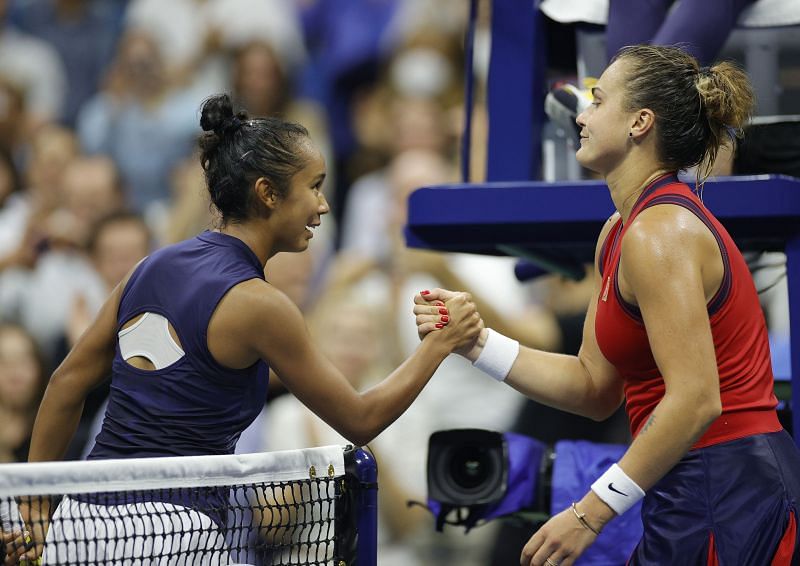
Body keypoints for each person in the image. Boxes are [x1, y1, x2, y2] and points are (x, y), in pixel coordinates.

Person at [3, 93, 482, 565]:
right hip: (175, 536)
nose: (324, 205)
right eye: (314, 186)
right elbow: (360, 420)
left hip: (82, 524)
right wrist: (439, 345)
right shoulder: (261, 305)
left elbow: (66, 383)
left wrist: (36, 507)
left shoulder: (150, 266)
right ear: (268, 194)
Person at [416, 45, 800, 565]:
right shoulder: (619, 232)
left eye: (597, 100)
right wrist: (477, 342)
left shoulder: (660, 233)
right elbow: (594, 387)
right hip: (689, 483)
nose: (580, 114)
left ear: (640, 122)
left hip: (732, 486)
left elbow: (696, 400)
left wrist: (590, 513)